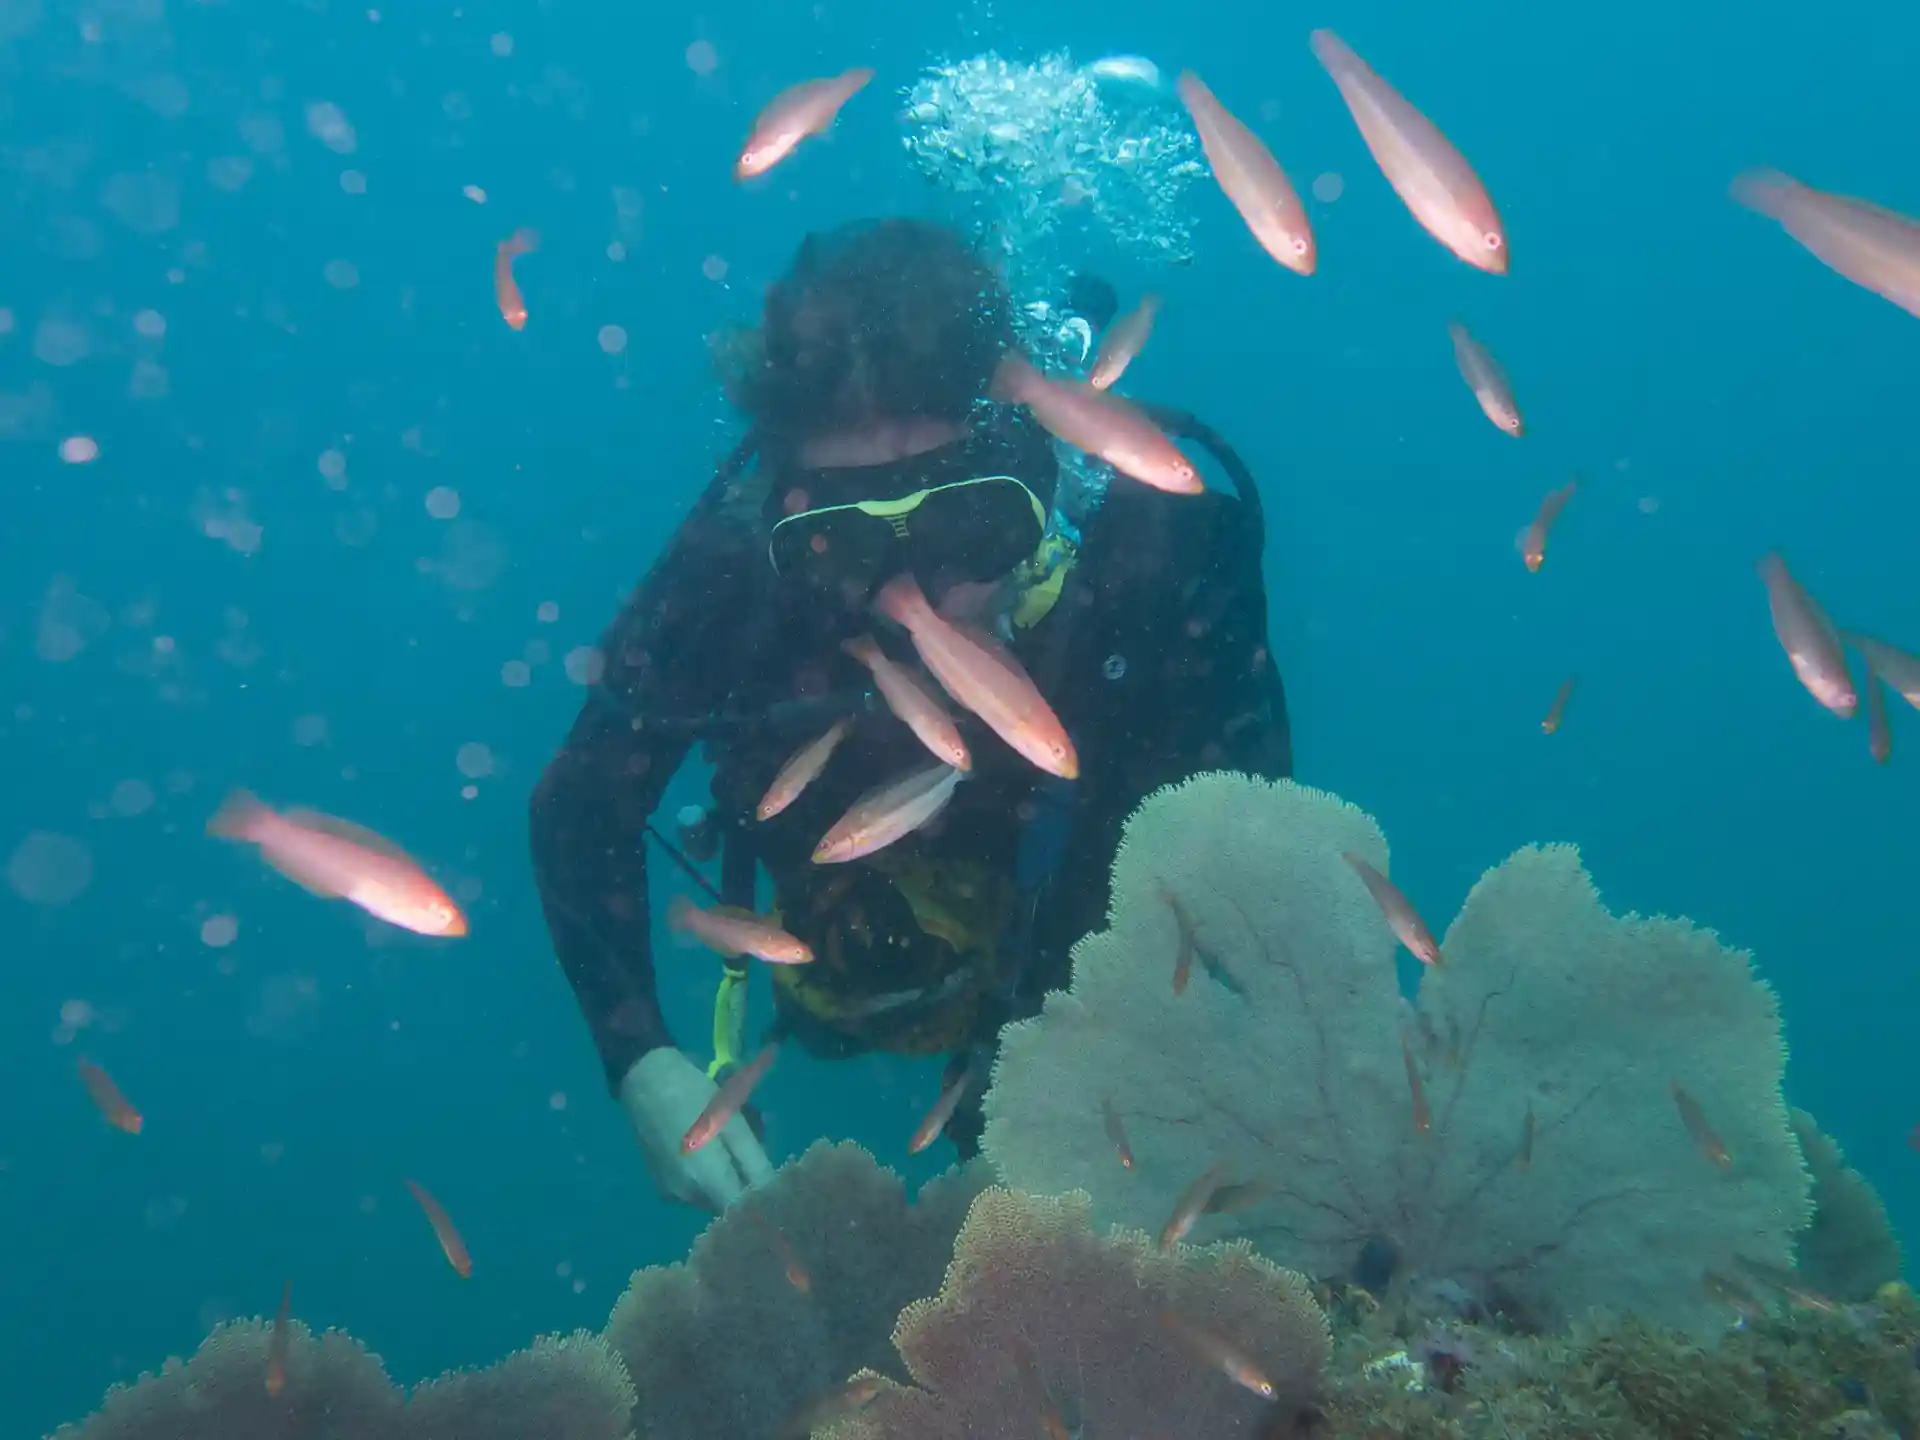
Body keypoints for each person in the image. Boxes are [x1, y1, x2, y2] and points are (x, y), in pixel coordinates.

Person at [528, 217, 1291, 1212]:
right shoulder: (735, 569)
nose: (915, 595)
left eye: (969, 522)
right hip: (835, 947)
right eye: (847, 548)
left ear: (1038, 468)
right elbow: (579, 808)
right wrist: (639, 1059)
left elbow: (1249, 852)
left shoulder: (1155, 557)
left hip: (1085, 967)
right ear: (786, 511)